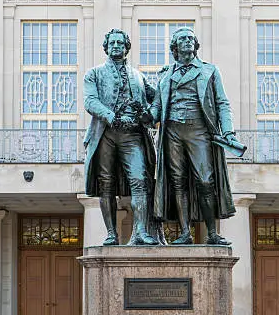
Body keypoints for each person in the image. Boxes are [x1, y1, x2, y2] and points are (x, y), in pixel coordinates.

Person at [150, 27, 237, 245]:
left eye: (191, 38)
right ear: (175, 47)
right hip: (172, 132)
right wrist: (144, 115)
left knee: (205, 181)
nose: (188, 41)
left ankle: (212, 233)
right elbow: (157, 108)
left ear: (196, 45)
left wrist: (227, 131)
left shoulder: (209, 71)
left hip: (199, 130)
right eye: (182, 39)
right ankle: (184, 233)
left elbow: (222, 104)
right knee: (178, 182)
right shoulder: (165, 75)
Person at [83, 28, 159, 245]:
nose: (116, 46)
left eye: (120, 43)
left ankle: (142, 232)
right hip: (106, 133)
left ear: (126, 47)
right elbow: (90, 101)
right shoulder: (94, 73)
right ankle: (111, 233)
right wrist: (111, 116)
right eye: (112, 43)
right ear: (106, 47)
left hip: (132, 135)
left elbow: (157, 100)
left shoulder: (138, 76)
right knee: (106, 184)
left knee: (140, 180)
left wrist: (147, 114)